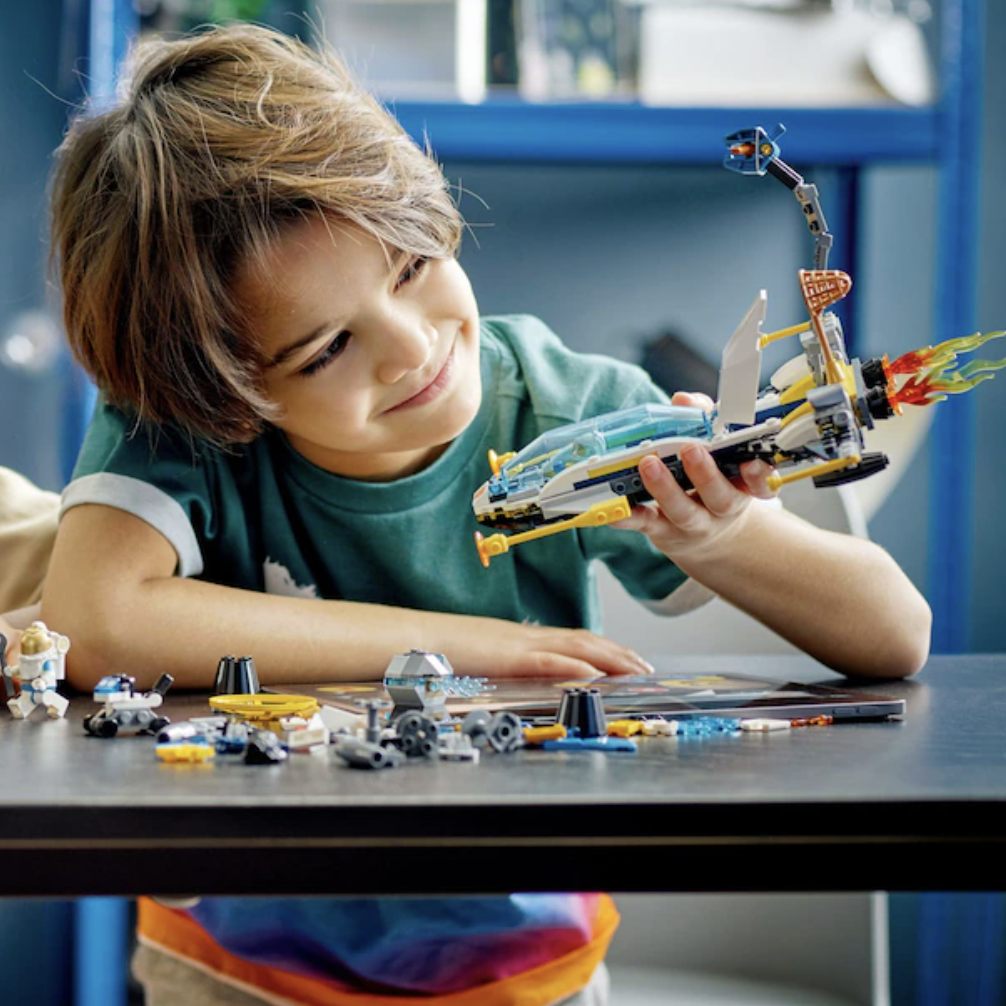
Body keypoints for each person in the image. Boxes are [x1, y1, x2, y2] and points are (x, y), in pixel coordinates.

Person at [41, 24, 931, 1006]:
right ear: (216, 396)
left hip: (524, 977)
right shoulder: (182, 414)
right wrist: (474, 646)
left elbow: (895, 635)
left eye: (412, 265)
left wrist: (726, 533)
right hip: (237, 976)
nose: (412, 347)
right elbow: (92, 622)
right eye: (326, 347)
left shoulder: (563, 407)